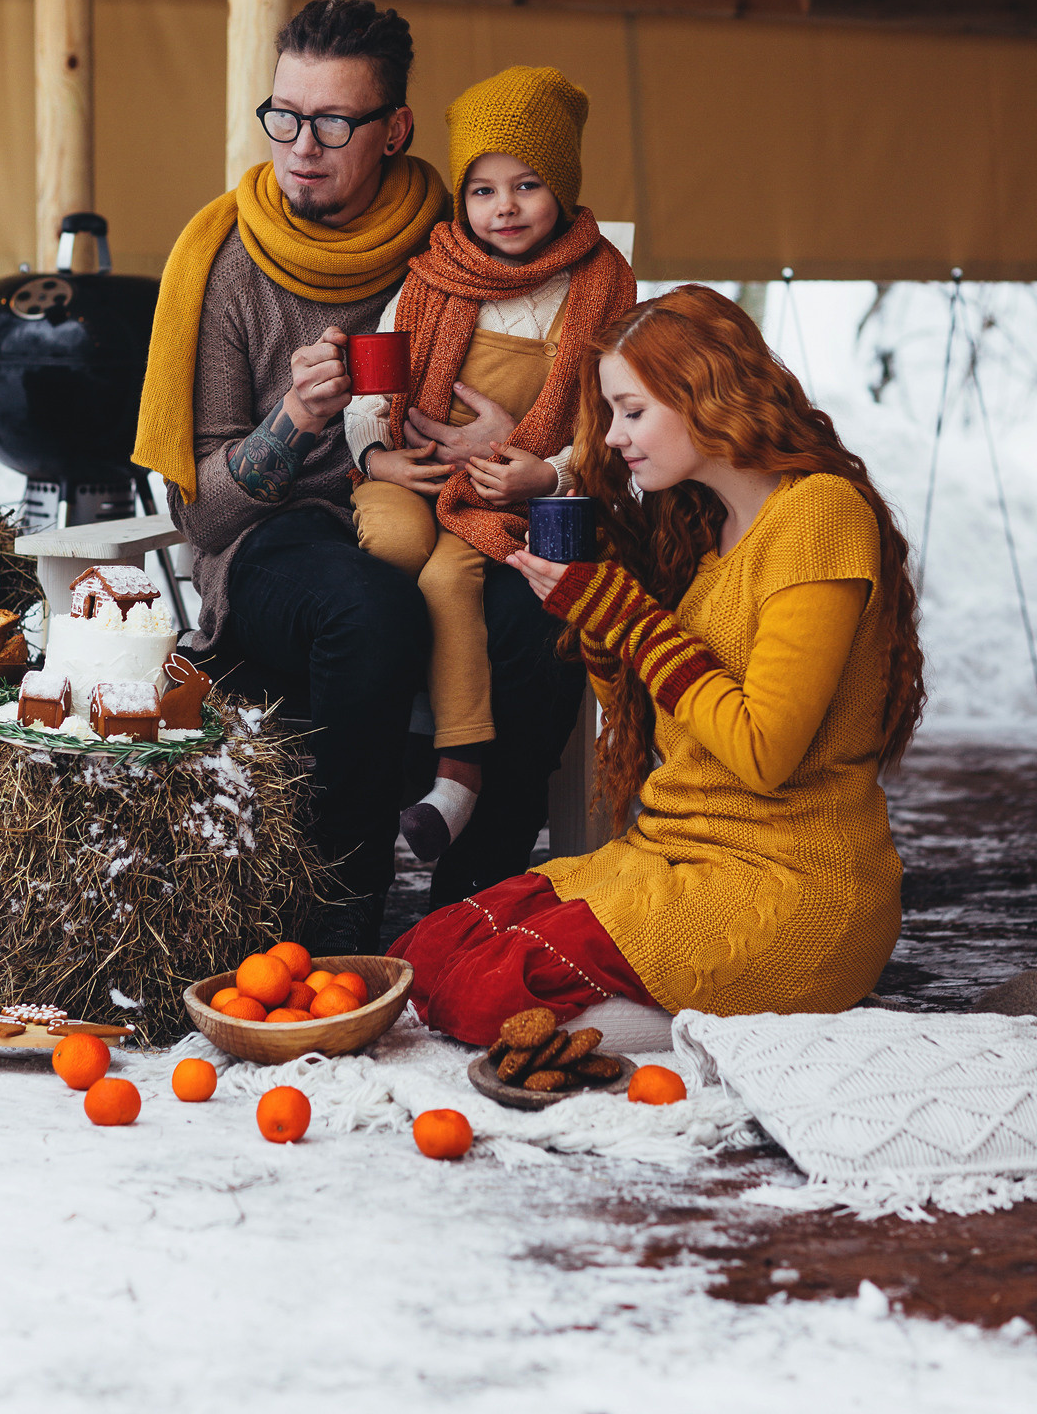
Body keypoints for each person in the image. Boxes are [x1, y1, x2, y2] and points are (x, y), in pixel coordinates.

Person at [132, 2, 584, 949]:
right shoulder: (226, 263)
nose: (301, 147)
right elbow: (203, 518)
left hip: (456, 512)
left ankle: (470, 917)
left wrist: (518, 448)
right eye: (284, 116)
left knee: (538, 620)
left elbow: (579, 355)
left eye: (335, 123)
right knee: (366, 606)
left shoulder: (463, 240)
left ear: (396, 130)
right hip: (276, 545)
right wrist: (293, 422)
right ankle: (337, 932)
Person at [390, 285, 926, 1042]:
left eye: (632, 411)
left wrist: (628, 617)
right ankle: (641, 1006)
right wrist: (602, 630)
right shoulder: (707, 533)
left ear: (706, 393)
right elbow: (670, 704)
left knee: (481, 997)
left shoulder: (818, 515)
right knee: (430, 949)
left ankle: (694, 1020)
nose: (612, 436)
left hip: (792, 886)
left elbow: (763, 751)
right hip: (676, 853)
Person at [344, 66, 634, 862]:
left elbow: (613, 416)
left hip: (513, 484)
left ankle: (456, 777)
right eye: (481, 189)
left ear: (564, 187)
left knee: (445, 578)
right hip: (419, 468)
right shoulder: (432, 277)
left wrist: (550, 474)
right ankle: (399, 737)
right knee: (399, 550)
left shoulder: (598, 285)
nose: (503, 207)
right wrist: (377, 454)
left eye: (527, 185)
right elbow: (372, 391)